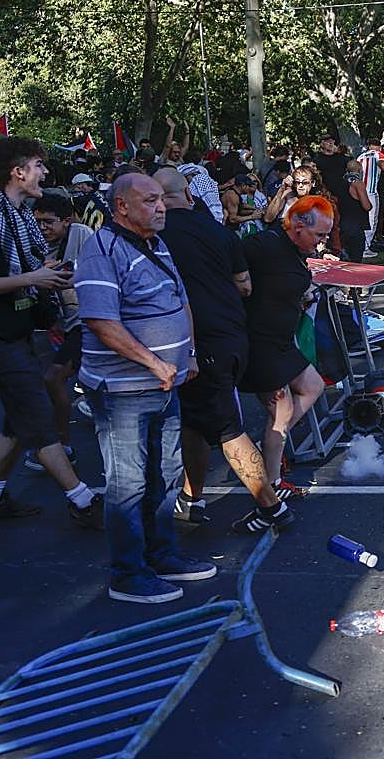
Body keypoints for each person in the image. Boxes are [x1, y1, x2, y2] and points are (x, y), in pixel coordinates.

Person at [76, 172, 216, 603]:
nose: (161, 207)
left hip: (163, 385)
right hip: (124, 391)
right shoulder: (101, 250)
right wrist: (154, 361)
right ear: (122, 206)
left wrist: (187, 354)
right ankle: (128, 573)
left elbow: (180, 300)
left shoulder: (157, 243)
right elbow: (101, 322)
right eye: (151, 200)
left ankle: (162, 554)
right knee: (129, 483)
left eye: (161, 199)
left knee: (166, 473)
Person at [0, 137, 101, 528]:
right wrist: (31, 278)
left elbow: (34, 269)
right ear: (17, 172)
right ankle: (83, 501)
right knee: (37, 413)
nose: (46, 173)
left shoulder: (18, 219)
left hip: (16, 331)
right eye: (39, 165)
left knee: (19, 418)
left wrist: (55, 277)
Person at [152, 167, 294, 534]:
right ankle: (192, 498)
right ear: (189, 195)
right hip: (232, 334)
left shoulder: (157, 235)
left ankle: (271, 508)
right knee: (195, 423)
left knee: (227, 427)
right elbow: (244, 285)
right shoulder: (218, 231)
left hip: (201, 341)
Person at [238, 195, 331, 496]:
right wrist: (240, 285)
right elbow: (228, 257)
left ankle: (273, 447)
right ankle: (272, 484)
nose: (322, 242)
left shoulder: (295, 250)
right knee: (282, 410)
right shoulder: (265, 244)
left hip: (280, 340)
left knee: (314, 386)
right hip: (258, 341)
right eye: (319, 235)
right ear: (299, 226)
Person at [25, 193, 94, 471]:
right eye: (38, 221)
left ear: (67, 221)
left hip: (87, 322)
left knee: (53, 378)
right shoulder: (37, 242)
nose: (42, 228)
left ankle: (63, 445)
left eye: (48, 222)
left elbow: (96, 272)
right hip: (61, 323)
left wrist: (57, 275)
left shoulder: (83, 235)